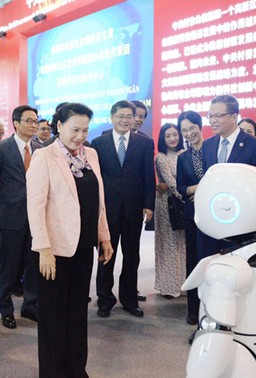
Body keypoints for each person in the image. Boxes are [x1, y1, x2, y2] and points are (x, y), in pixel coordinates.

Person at [27, 102, 114, 377]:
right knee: (53, 316)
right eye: (75, 129)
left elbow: (99, 201)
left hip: (83, 246)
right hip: (54, 250)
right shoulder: (45, 156)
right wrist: (44, 249)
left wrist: (105, 237)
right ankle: (52, 371)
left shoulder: (91, 155)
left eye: (85, 130)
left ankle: (76, 369)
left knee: (77, 312)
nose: (80, 136)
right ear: (59, 126)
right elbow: (35, 206)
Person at [91, 100, 155, 318]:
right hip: (106, 211)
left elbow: (148, 175)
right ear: (112, 117)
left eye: (130, 116)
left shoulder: (144, 143)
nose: (126, 120)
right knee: (105, 256)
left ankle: (129, 299)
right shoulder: (98, 143)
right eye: (121, 116)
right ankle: (104, 299)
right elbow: (95, 179)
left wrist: (149, 205)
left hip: (133, 209)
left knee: (131, 256)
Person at [0, 105, 43, 329]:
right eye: (28, 120)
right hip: (11, 215)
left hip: (36, 217)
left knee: (33, 264)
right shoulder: (0, 149)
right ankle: (6, 309)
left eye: (35, 121)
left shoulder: (40, 148)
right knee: (8, 266)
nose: (33, 125)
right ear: (16, 123)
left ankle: (30, 306)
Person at [200, 95, 256, 259]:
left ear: (233, 116)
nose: (213, 121)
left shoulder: (255, 146)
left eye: (218, 116)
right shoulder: (208, 145)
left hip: (243, 226)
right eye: (210, 116)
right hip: (214, 222)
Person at [175, 111, 205, 325]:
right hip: (193, 215)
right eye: (184, 130)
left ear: (200, 126)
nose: (189, 133)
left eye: (192, 128)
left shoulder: (213, 149)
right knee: (193, 262)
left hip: (217, 214)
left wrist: (202, 191)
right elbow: (181, 187)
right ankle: (193, 309)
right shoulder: (183, 157)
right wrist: (199, 188)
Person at [153, 123, 186, 298]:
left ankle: (184, 283)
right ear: (162, 139)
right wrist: (188, 196)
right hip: (168, 205)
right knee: (169, 245)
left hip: (184, 204)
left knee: (183, 244)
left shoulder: (184, 154)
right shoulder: (161, 158)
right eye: (168, 136)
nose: (173, 138)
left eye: (175, 134)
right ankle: (169, 286)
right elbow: (172, 184)